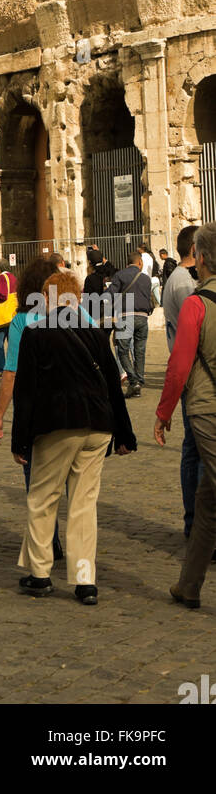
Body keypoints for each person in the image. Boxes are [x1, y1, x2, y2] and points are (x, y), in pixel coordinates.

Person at [12, 270, 136, 604]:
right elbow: (112, 385)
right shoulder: (95, 334)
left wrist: (19, 439)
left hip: (57, 425)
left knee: (43, 497)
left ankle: (39, 574)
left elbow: (25, 392)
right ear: (78, 298)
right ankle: (85, 581)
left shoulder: (36, 334)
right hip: (97, 426)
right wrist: (124, 434)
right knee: (83, 503)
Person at [154, 223, 216, 608]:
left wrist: (163, 412)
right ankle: (189, 585)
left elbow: (178, 365)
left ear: (202, 258)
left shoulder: (198, 303)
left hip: (208, 410)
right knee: (207, 500)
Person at [0, 257, 62, 558]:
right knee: (71, 483)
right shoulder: (76, 314)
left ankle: (48, 544)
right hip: (69, 405)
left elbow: (12, 371)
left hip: (33, 409)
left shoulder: (22, 320)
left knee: (37, 482)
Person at [159, 225, 204, 544]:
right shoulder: (187, 284)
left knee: (192, 449)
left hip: (189, 371)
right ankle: (199, 523)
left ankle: (195, 521)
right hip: (195, 374)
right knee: (198, 451)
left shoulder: (176, 279)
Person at [107, 248, 153, 398]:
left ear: (127, 263)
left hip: (126, 316)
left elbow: (109, 296)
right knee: (139, 351)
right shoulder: (146, 279)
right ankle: (139, 380)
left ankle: (134, 382)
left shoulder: (120, 275)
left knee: (122, 350)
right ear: (140, 263)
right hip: (143, 318)